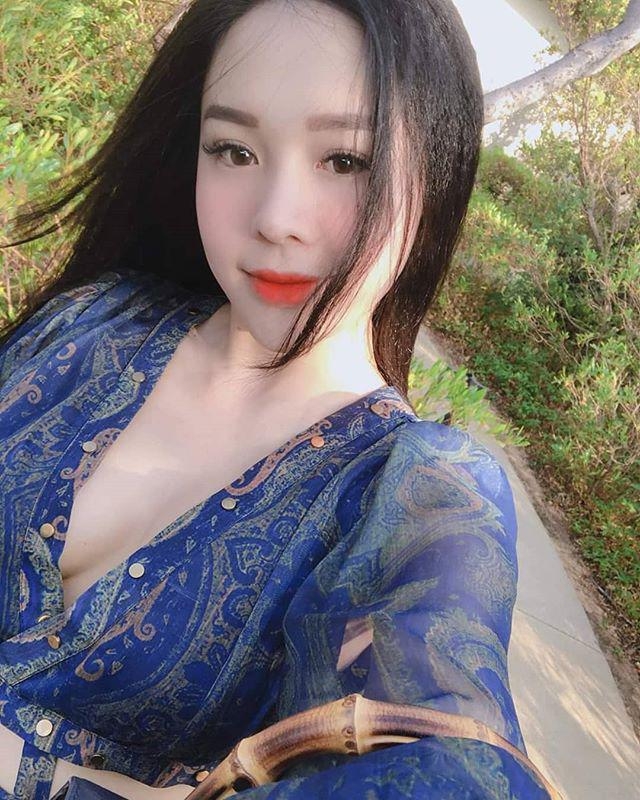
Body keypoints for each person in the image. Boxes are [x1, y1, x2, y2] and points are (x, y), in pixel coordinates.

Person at [0, 1, 555, 798]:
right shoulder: (94, 322)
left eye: (345, 161)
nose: (275, 219)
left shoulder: (415, 495)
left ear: (435, 175)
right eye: (234, 150)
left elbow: (452, 772)